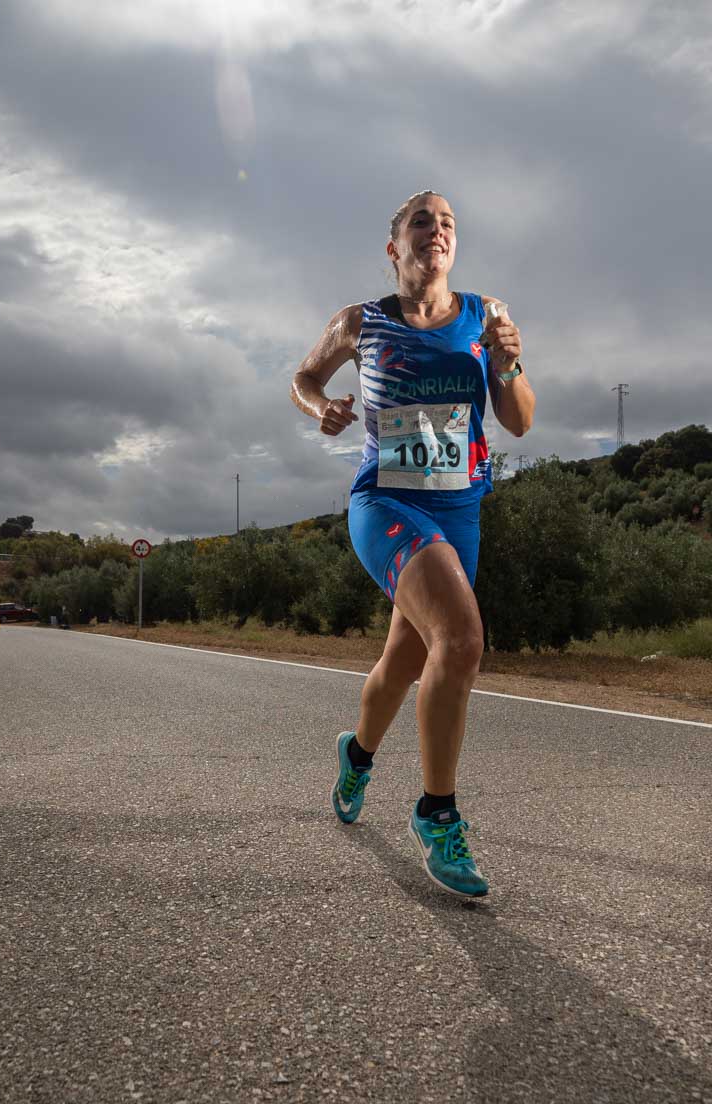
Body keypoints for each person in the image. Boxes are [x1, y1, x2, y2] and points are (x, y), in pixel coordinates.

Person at [290, 190, 536, 898]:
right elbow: (303, 377)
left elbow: (518, 421)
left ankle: (357, 753)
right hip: (386, 501)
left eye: (449, 223)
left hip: (460, 508)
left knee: (405, 659)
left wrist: (510, 363)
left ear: (454, 247)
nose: (438, 230)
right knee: (460, 640)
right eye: (422, 221)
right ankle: (437, 811)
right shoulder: (360, 322)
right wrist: (322, 407)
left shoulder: (486, 316)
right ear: (396, 247)